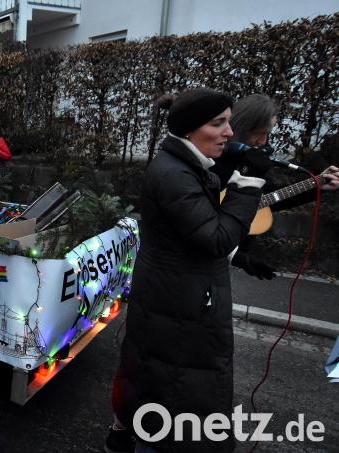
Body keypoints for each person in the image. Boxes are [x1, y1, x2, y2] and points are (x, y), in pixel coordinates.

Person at [107, 88, 265, 453]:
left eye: (228, 122)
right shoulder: (174, 174)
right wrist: (246, 187)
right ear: (190, 129)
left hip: (178, 304)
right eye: (218, 123)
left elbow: (199, 231)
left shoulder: (190, 166)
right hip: (176, 310)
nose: (229, 132)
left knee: (166, 395)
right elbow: (215, 237)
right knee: (171, 408)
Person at [210, 94, 339, 280]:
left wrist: (317, 186)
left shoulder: (257, 158)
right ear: (245, 126)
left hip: (228, 255)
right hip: (211, 254)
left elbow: (271, 199)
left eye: (267, 133)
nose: (263, 141)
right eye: (260, 133)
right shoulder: (215, 159)